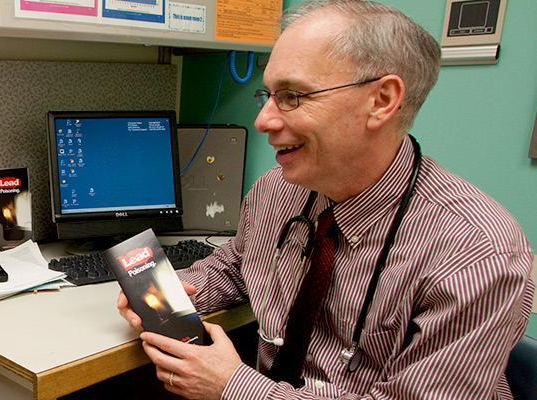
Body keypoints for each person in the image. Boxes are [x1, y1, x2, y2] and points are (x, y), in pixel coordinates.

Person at [118, 1, 534, 399]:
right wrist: (173, 296)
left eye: (293, 96)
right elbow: (239, 265)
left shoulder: (480, 252)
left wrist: (232, 388)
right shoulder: (275, 191)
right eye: (267, 95)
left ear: (382, 101)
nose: (264, 120)